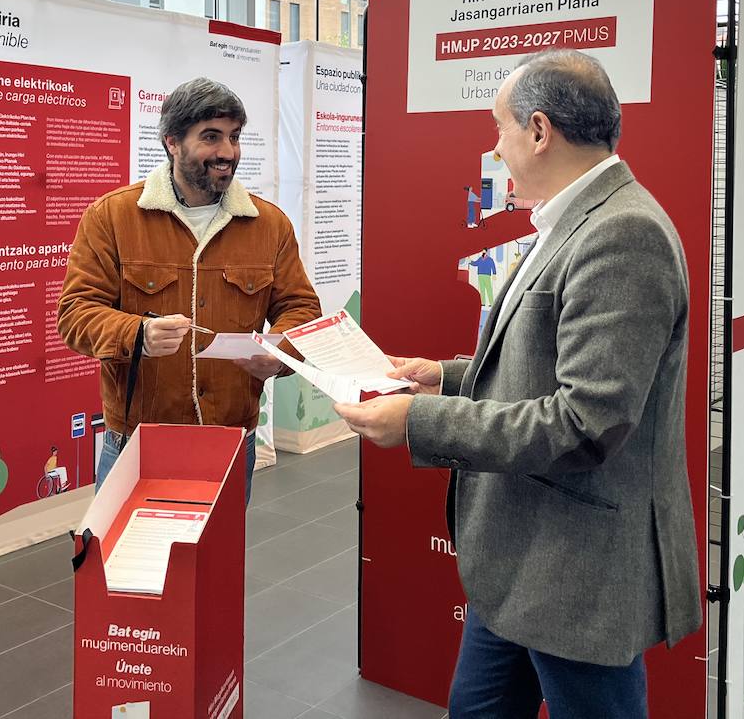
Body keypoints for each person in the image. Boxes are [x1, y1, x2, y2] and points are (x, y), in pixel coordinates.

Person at [336, 50, 700, 719]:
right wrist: (442, 376)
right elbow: (538, 362)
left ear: (539, 131)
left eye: (499, 126)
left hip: (577, 569)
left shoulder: (623, 234)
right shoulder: (574, 219)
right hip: (520, 554)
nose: (494, 146)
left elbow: (585, 422)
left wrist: (419, 421)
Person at [58, 77, 320, 503]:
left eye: (234, 136)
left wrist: (280, 352)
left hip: (231, 440)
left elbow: (301, 308)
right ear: (172, 142)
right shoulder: (112, 217)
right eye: (211, 137)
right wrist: (138, 334)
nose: (228, 151)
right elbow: (75, 313)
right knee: (130, 549)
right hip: (139, 441)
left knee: (220, 549)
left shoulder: (270, 225)